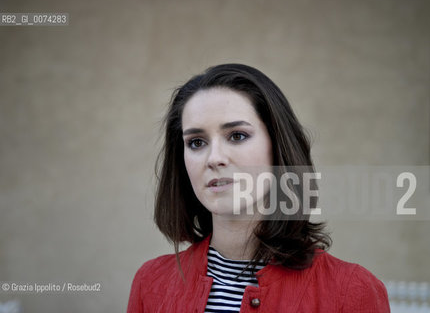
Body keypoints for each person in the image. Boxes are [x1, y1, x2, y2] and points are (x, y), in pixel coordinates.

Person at [127, 63, 390, 312]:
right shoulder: (150, 284)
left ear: (277, 147)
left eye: (237, 136)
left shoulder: (352, 292)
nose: (214, 158)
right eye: (196, 142)